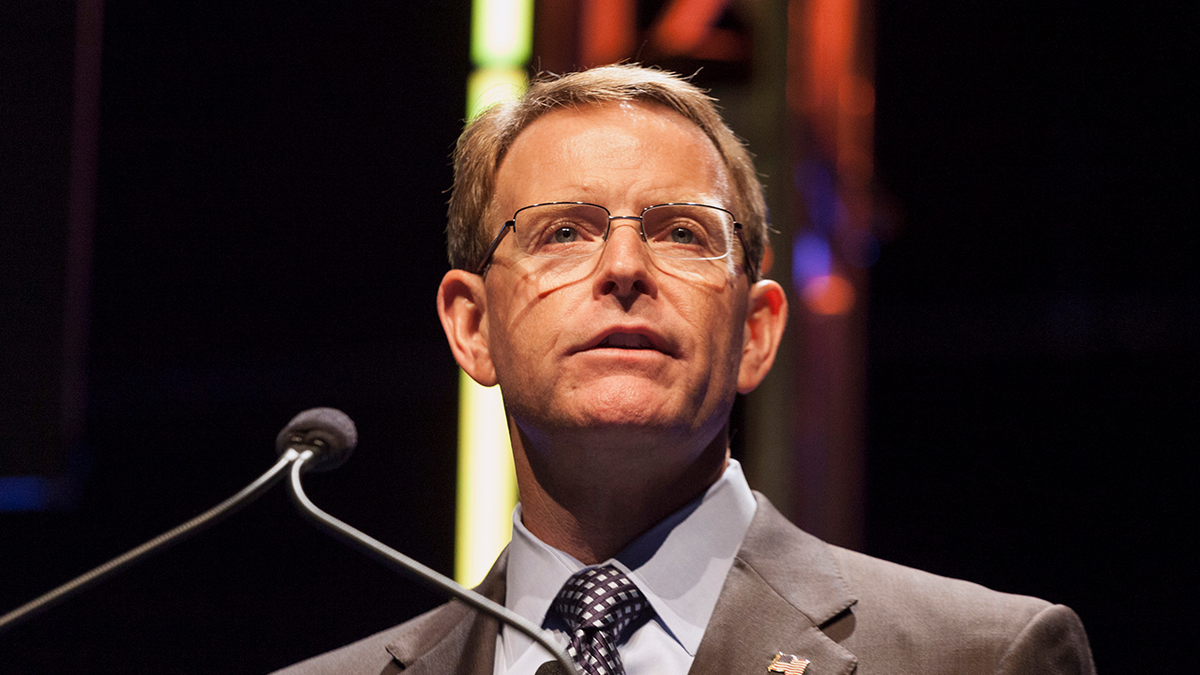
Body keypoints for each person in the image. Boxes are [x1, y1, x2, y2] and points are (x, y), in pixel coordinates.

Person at [275, 65, 1095, 675]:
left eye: (681, 232)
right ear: (472, 325)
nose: (624, 266)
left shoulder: (980, 656)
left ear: (755, 332)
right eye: (562, 231)